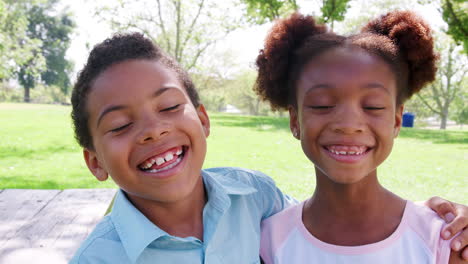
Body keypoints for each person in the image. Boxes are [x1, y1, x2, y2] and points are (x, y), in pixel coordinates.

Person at [69, 32, 467, 263]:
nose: (153, 132)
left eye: (170, 107)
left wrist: (434, 218)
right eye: (120, 125)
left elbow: (336, 221)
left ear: (203, 120)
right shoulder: (98, 258)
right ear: (94, 161)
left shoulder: (255, 199)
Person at [257, 11, 467, 263]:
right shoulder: (267, 241)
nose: (348, 124)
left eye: (373, 106)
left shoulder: (443, 240)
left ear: (397, 121)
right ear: (295, 121)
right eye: (322, 105)